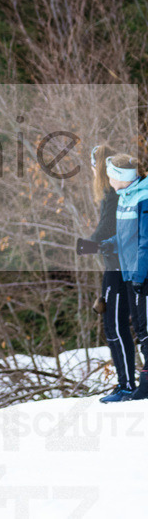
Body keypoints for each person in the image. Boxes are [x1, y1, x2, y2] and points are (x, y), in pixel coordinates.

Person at [76, 145, 136, 402]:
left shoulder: (112, 195)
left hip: (119, 267)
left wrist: (88, 244)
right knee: (116, 325)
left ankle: (127, 385)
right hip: (116, 265)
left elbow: (108, 231)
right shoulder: (113, 194)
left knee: (116, 326)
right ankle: (126, 383)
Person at [97, 154, 148, 401]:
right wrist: (110, 244)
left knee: (144, 329)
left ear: (120, 177)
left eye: (110, 175)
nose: (107, 179)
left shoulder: (143, 195)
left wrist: (138, 276)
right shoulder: (125, 197)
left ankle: (145, 386)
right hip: (129, 272)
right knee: (140, 327)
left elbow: (144, 242)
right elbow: (127, 237)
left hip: (139, 274)